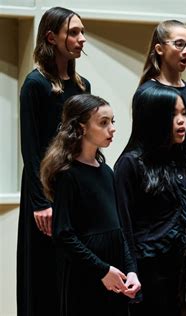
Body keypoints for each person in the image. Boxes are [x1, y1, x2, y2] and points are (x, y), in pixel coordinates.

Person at [17, 6, 90, 316]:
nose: (82, 39)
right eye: (74, 32)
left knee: (73, 271)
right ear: (51, 37)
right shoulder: (35, 85)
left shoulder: (82, 87)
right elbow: (31, 148)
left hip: (74, 187)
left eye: (82, 32)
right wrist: (40, 203)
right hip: (44, 192)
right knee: (43, 273)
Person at [39, 94, 141, 315]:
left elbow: (119, 229)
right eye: (103, 122)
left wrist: (131, 270)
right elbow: (63, 234)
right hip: (86, 276)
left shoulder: (107, 172)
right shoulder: (68, 176)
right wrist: (102, 271)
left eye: (113, 121)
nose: (112, 128)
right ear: (82, 127)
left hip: (114, 273)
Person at [114, 85, 186, 315]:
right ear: (154, 117)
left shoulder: (185, 161)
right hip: (150, 271)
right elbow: (124, 227)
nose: (182, 121)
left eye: (184, 113)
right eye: (173, 114)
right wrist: (131, 271)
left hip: (185, 267)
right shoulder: (130, 164)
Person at [134, 19, 186, 194]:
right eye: (179, 44)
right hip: (160, 188)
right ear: (160, 49)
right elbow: (142, 147)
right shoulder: (148, 92)